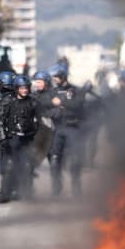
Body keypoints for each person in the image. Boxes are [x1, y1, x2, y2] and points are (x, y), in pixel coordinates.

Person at [0, 76, 39, 203]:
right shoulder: (8, 101)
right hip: (12, 138)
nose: (24, 90)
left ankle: (27, 192)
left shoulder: (33, 102)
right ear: (16, 89)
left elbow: (40, 120)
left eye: (26, 88)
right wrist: (3, 138)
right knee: (10, 167)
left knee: (27, 166)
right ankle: (5, 193)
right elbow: (0, 121)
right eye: (22, 88)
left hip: (28, 138)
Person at [47, 64, 85, 196]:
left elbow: (78, 105)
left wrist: (61, 102)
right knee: (55, 159)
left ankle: (76, 187)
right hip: (58, 129)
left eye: (57, 76)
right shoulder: (52, 91)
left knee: (75, 160)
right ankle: (56, 188)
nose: (55, 78)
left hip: (72, 128)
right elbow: (47, 106)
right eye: (54, 76)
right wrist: (55, 110)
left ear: (63, 76)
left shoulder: (75, 90)